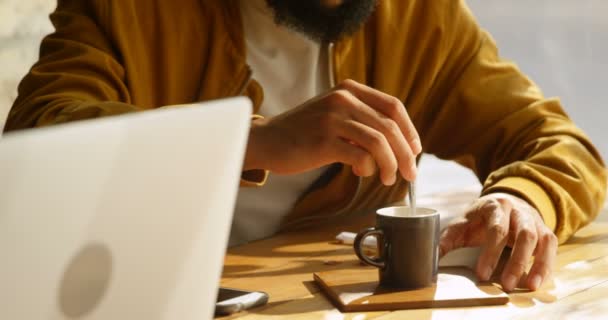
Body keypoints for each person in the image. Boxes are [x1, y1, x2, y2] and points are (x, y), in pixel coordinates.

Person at [4, 0, 606, 293]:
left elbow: (561, 143)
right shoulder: (129, 9)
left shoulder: (419, 18)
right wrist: (255, 140)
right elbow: (38, 135)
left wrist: (525, 200)